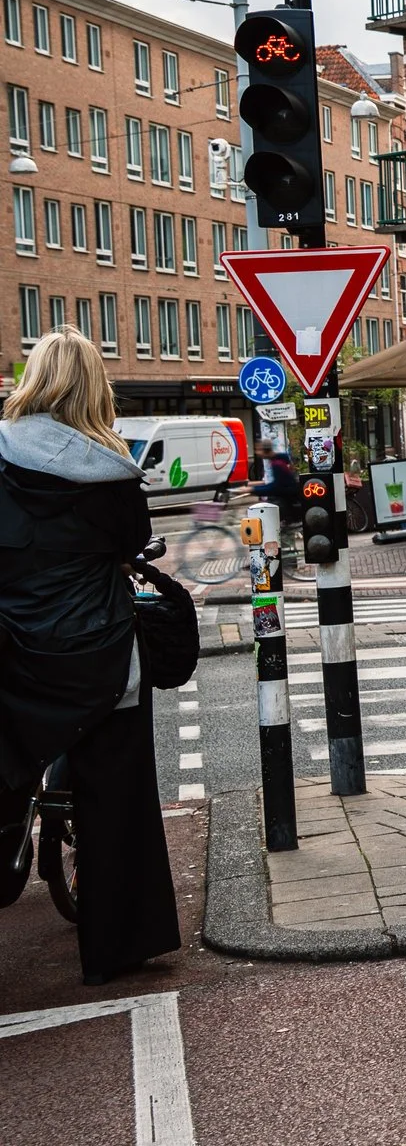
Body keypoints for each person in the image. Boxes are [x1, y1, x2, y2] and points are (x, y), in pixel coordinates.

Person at [0, 329, 178, 984]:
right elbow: (133, 542)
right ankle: (119, 944)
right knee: (119, 796)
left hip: (15, 652)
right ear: (94, 388)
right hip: (98, 656)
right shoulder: (112, 471)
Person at [250, 438, 302, 555]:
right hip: (287, 501)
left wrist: (253, 490)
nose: (257, 453)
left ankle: (265, 557)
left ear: (265, 451)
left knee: (265, 525)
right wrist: (254, 486)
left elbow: (276, 487)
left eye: (259, 450)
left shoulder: (277, 464)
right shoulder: (279, 461)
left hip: (286, 503)